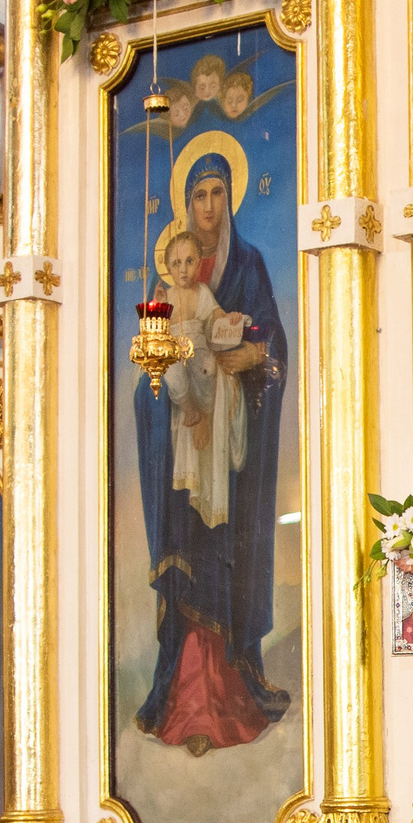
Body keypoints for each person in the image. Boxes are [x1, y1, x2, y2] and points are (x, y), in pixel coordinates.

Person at [133, 147, 292, 755]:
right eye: (197, 196)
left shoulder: (248, 264)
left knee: (231, 556)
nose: (207, 206)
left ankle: (235, 689)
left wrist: (254, 357)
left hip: (234, 453)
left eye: (216, 194)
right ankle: (186, 700)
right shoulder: (166, 287)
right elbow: (150, 370)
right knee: (188, 565)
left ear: (230, 198)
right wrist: (177, 397)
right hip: (180, 450)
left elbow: (270, 342)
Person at [157, 229, 251, 532]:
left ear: (199, 263)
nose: (183, 270)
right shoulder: (168, 297)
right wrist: (158, 308)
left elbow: (216, 320)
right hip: (177, 358)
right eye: (176, 263)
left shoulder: (201, 293)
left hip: (202, 361)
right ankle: (193, 413)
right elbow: (155, 332)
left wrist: (231, 319)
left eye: (189, 262)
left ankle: (202, 414)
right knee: (173, 372)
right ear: (168, 267)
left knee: (206, 367)